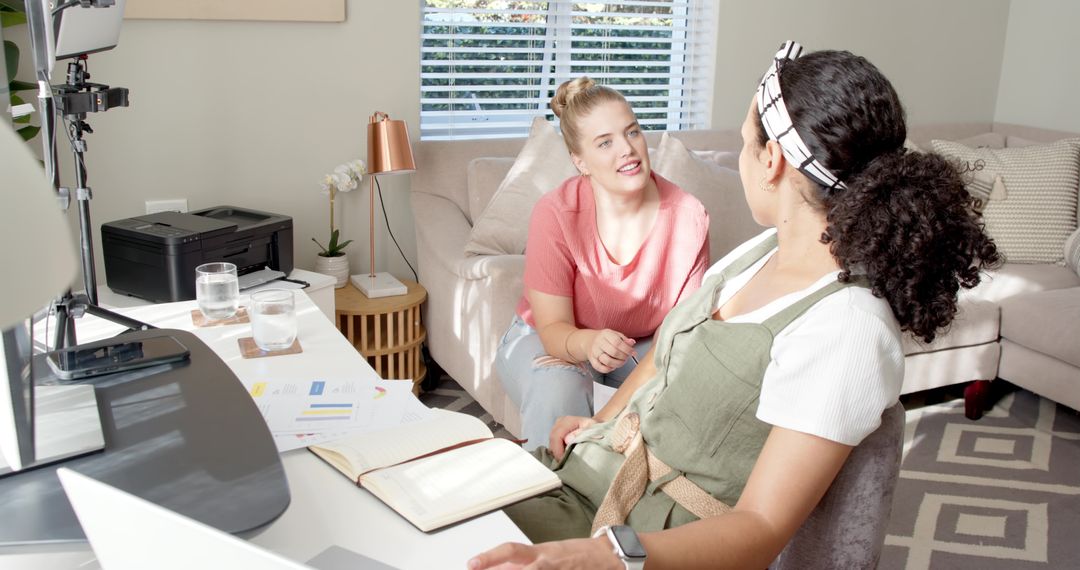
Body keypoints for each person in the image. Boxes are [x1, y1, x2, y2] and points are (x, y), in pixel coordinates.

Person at [470, 42, 1000, 569]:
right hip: (596, 474)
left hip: (641, 540)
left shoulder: (848, 329)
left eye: (745, 144)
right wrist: (601, 421)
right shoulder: (761, 251)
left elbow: (761, 531)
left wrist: (606, 557)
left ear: (771, 160)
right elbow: (669, 346)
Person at [497, 77, 710, 450]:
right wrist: (589, 342)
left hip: (642, 344)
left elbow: (675, 340)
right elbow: (552, 329)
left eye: (633, 132)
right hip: (552, 337)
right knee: (559, 391)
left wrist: (618, 403)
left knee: (682, 394)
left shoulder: (689, 218)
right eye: (605, 143)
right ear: (580, 161)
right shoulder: (556, 213)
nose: (627, 150)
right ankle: (545, 498)